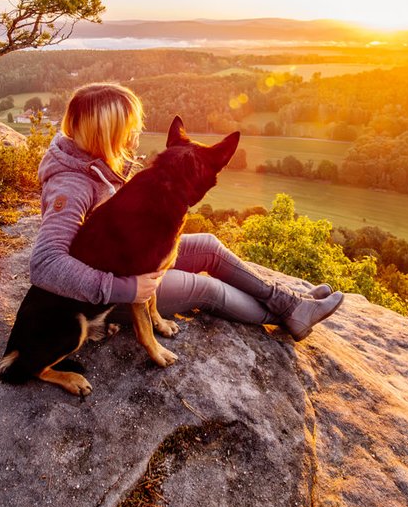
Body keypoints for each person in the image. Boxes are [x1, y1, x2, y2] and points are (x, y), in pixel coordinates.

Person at [29, 82, 345, 341]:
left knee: (207, 244)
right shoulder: (71, 186)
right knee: (206, 289)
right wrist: (126, 288)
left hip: (132, 257)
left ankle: (290, 302)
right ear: (105, 132)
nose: (133, 134)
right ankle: (289, 315)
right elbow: (45, 265)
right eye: (127, 128)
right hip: (109, 295)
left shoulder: (95, 159)